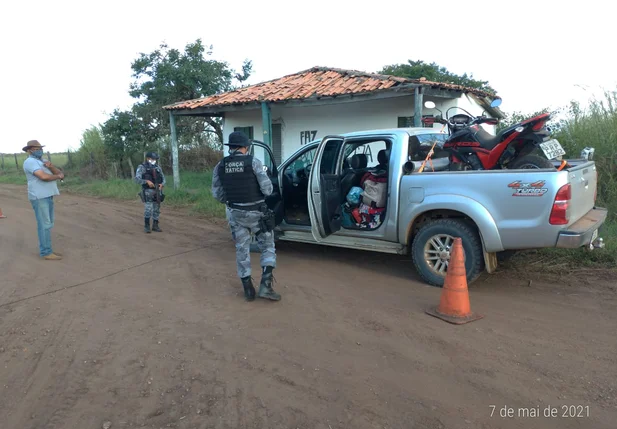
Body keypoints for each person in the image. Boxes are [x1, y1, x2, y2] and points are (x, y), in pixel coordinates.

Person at [211, 131, 281, 302]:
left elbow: (217, 194)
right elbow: (267, 190)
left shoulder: (220, 166)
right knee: (267, 246)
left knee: (242, 249)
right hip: (257, 214)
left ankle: (248, 289)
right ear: (246, 147)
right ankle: (265, 286)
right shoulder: (254, 163)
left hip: (235, 214)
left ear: (231, 148)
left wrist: (233, 202)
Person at [22, 140, 64, 260]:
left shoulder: (43, 161)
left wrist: (52, 167)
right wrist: (57, 176)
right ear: (29, 150)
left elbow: (60, 173)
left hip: (48, 195)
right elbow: (44, 177)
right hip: (39, 196)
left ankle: (47, 250)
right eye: (36, 148)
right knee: (44, 224)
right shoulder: (30, 162)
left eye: (40, 148)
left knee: (48, 223)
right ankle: (46, 252)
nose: (39, 150)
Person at [134, 152, 166, 233]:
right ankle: (147, 226)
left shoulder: (158, 167)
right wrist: (146, 181)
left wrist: (162, 184)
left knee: (157, 208)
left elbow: (163, 178)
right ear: (148, 158)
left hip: (158, 190)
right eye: (153, 159)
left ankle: (155, 225)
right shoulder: (142, 167)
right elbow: (137, 179)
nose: (154, 160)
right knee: (148, 208)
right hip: (148, 190)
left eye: (155, 159)